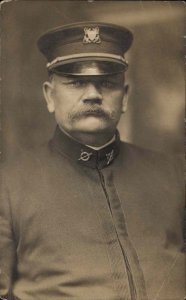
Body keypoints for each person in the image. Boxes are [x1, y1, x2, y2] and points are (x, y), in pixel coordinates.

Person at [0, 22, 185, 300]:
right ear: (50, 96)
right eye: (75, 82)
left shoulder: (176, 175)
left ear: (124, 98)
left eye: (107, 83)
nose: (93, 95)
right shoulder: (7, 185)